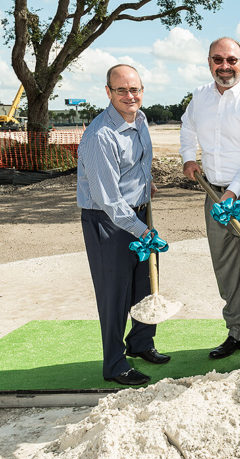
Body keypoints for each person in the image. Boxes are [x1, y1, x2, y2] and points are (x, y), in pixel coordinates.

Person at [180, 37, 240, 368]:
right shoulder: (199, 96)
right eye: (218, 60)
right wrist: (187, 158)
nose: (225, 66)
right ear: (209, 62)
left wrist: (233, 192)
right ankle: (238, 333)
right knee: (226, 268)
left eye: (231, 60)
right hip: (213, 192)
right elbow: (186, 126)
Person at [78, 64, 170, 386]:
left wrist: (147, 186)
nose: (130, 96)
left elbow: (136, 166)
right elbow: (109, 199)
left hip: (139, 213)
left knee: (145, 283)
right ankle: (115, 364)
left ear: (142, 90)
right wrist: (141, 230)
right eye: (122, 90)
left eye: (135, 89)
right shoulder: (100, 135)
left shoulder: (141, 119)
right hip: (108, 221)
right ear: (108, 92)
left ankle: (141, 343)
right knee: (115, 293)